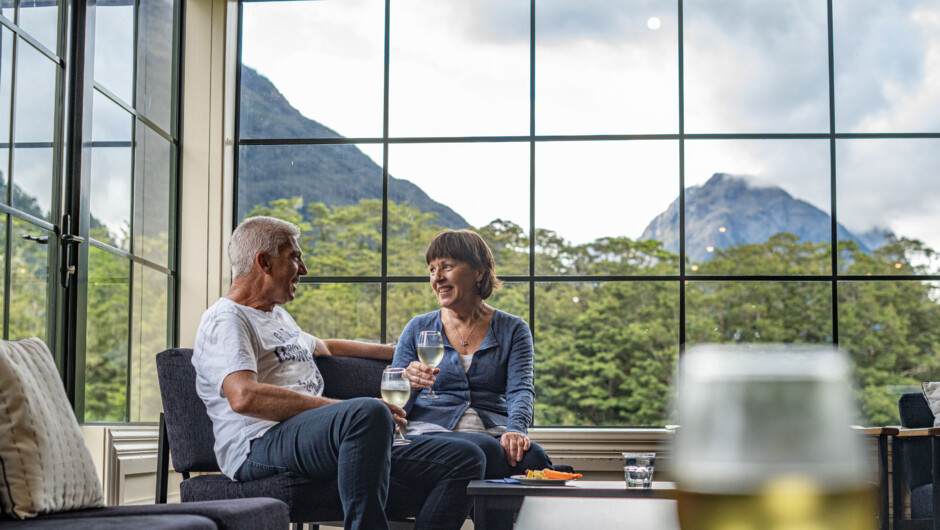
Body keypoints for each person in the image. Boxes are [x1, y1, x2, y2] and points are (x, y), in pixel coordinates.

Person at [192, 216, 484, 530]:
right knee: (367, 412)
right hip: (258, 443)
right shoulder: (227, 319)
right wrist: (342, 410)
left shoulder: (276, 317)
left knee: (466, 457)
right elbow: (243, 395)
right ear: (263, 262)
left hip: (314, 438)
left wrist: (399, 349)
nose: (302, 268)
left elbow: (327, 347)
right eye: (294, 257)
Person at [392, 229, 552, 482]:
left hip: (492, 430)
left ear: (478, 272)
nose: (437, 278)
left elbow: (521, 389)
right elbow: (395, 402)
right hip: (431, 432)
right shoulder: (417, 327)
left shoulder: (513, 328)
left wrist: (516, 431)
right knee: (486, 450)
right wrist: (407, 381)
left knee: (534, 458)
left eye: (447, 266)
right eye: (432, 270)